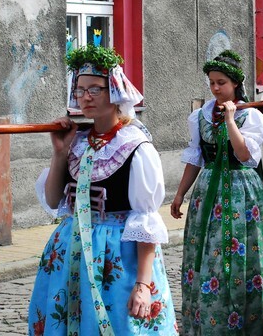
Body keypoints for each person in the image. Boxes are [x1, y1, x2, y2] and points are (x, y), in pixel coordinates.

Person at [29, 45, 177, 335]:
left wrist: (143, 284)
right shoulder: (77, 141)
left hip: (117, 254)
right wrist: (59, 152)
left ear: (116, 92)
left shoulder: (135, 146)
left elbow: (145, 219)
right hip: (71, 248)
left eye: (95, 89)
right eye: (80, 89)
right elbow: (53, 200)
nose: (86, 97)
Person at [171, 50, 263, 335]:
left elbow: (244, 154)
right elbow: (195, 158)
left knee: (242, 249)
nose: (216, 88)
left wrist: (231, 120)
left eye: (221, 82)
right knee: (209, 250)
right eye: (212, 82)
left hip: (242, 190)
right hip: (208, 189)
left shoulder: (252, 115)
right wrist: (180, 194)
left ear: (235, 84)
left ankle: (249, 320)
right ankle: (209, 318)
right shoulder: (200, 116)